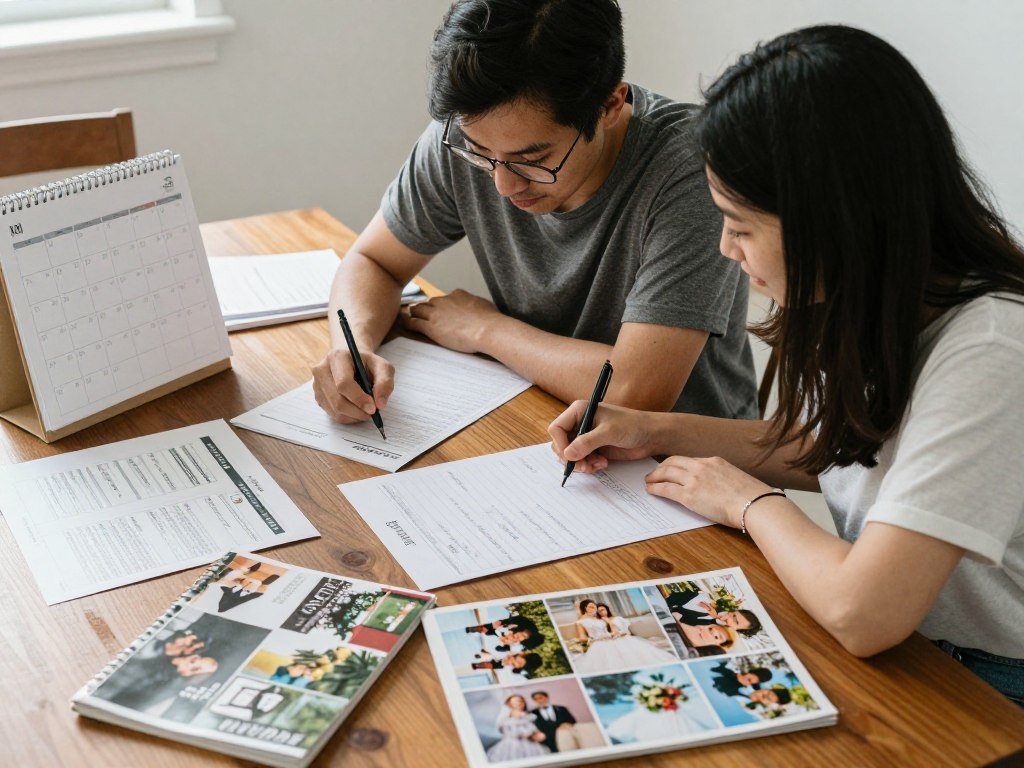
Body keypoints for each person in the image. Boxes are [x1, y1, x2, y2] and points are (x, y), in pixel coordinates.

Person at [548, 24, 1024, 705]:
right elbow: (838, 450)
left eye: (741, 226)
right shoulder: (871, 293)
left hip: (986, 675)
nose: (725, 249)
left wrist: (748, 502)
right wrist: (653, 431)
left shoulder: (994, 348)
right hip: (914, 643)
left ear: (834, 219)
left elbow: (864, 612)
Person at [312, 0, 757, 428]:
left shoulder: (690, 169)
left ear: (609, 106)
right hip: (536, 411)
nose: (503, 185)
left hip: (684, 467)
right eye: (481, 153)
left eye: (532, 160)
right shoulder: (468, 135)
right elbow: (375, 261)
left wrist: (486, 330)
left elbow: (634, 392)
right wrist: (351, 348)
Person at [572, 599, 678, 674]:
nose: (594, 608)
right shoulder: (580, 622)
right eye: (591, 606)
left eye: (594, 606)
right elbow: (582, 638)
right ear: (585, 608)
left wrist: (615, 632)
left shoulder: (602, 619)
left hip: (613, 639)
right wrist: (597, 638)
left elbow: (612, 630)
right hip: (599, 643)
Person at [485, 695, 551, 761]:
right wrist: (527, 734)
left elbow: (532, 728)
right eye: (516, 701)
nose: (519, 703)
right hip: (512, 744)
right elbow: (511, 732)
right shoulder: (506, 718)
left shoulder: (528, 716)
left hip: (529, 743)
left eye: (521, 701)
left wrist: (537, 734)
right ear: (509, 704)